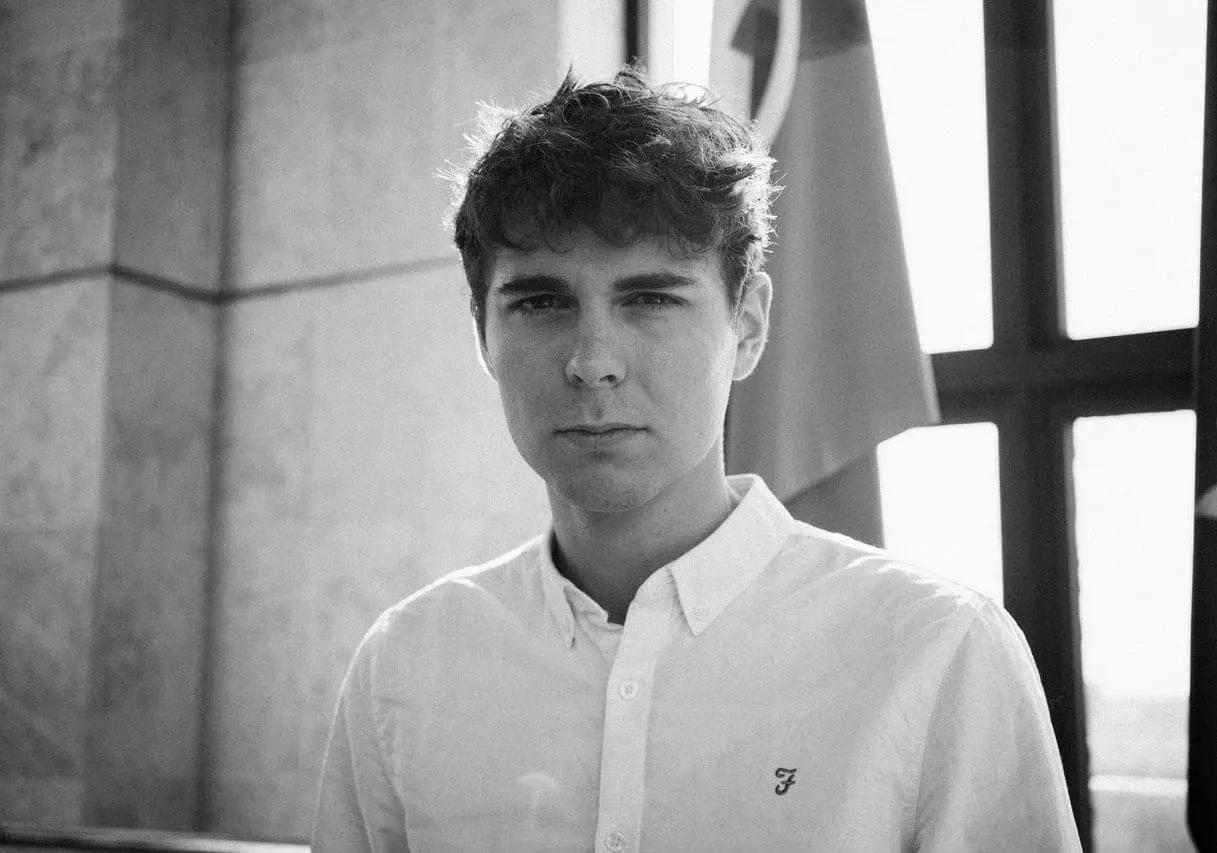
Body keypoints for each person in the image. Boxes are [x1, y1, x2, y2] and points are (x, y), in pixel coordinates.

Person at [313, 67, 1082, 852]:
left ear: (747, 326)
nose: (592, 362)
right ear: (483, 335)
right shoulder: (406, 666)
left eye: (649, 298)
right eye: (542, 302)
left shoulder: (940, 651)